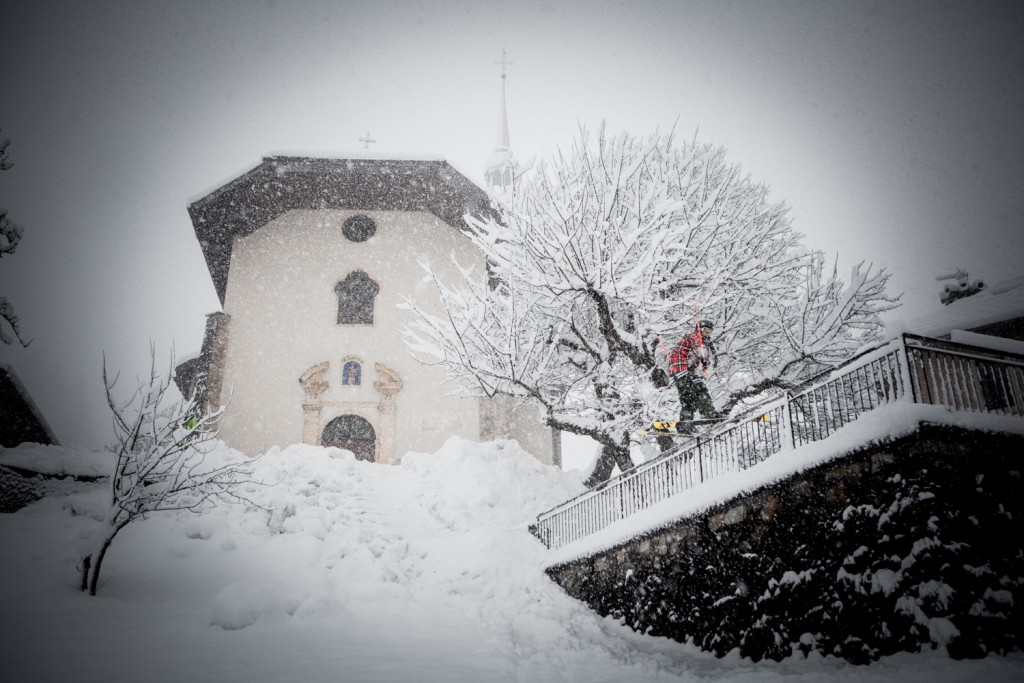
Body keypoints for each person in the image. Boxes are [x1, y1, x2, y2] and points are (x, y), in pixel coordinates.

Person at [666, 320, 721, 434]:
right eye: (705, 330)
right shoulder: (694, 336)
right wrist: (705, 359)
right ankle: (706, 413)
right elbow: (699, 348)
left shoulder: (700, 340)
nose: (707, 334)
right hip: (681, 368)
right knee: (696, 390)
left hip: (682, 371)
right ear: (699, 329)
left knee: (691, 395)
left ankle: (687, 423)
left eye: (709, 332)